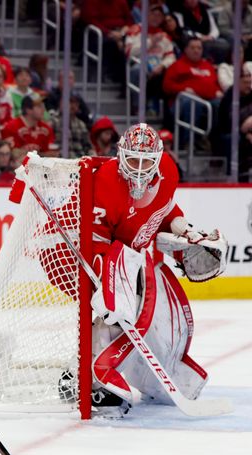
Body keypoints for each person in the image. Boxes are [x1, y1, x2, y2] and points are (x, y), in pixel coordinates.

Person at [56, 123, 227, 415]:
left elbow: (163, 209)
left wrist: (183, 230)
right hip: (66, 250)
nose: (138, 168)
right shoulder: (106, 183)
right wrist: (110, 291)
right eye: (133, 160)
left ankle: (82, 372)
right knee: (115, 308)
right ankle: (87, 379)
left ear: (158, 160)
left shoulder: (167, 173)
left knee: (135, 308)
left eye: (146, 162)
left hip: (118, 252)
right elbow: (95, 246)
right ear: (121, 156)